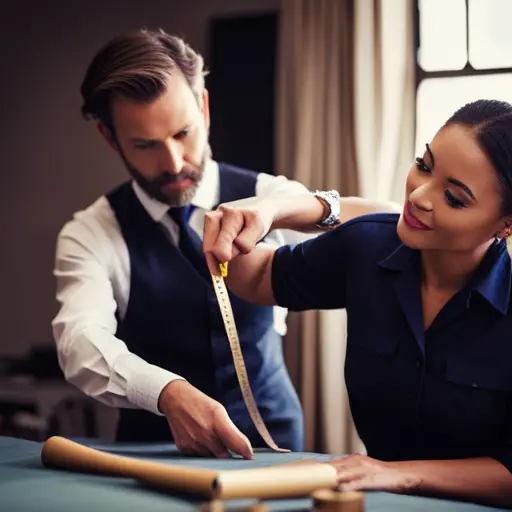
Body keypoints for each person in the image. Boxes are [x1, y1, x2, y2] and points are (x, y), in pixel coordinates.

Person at [51, 28, 400, 458]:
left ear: (204, 107)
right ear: (111, 138)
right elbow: (79, 343)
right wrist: (168, 393)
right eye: (145, 145)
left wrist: (297, 206)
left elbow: (395, 224)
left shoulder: (270, 197)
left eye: (183, 133)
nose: (174, 162)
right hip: (155, 457)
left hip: (275, 447)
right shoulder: (90, 233)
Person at [202, 99, 512, 507]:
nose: (419, 195)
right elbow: (259, 278)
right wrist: (260, 214)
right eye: (424, 164)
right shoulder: (368, 245)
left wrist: (397, 474)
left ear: (505, 224)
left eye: (454, 198)